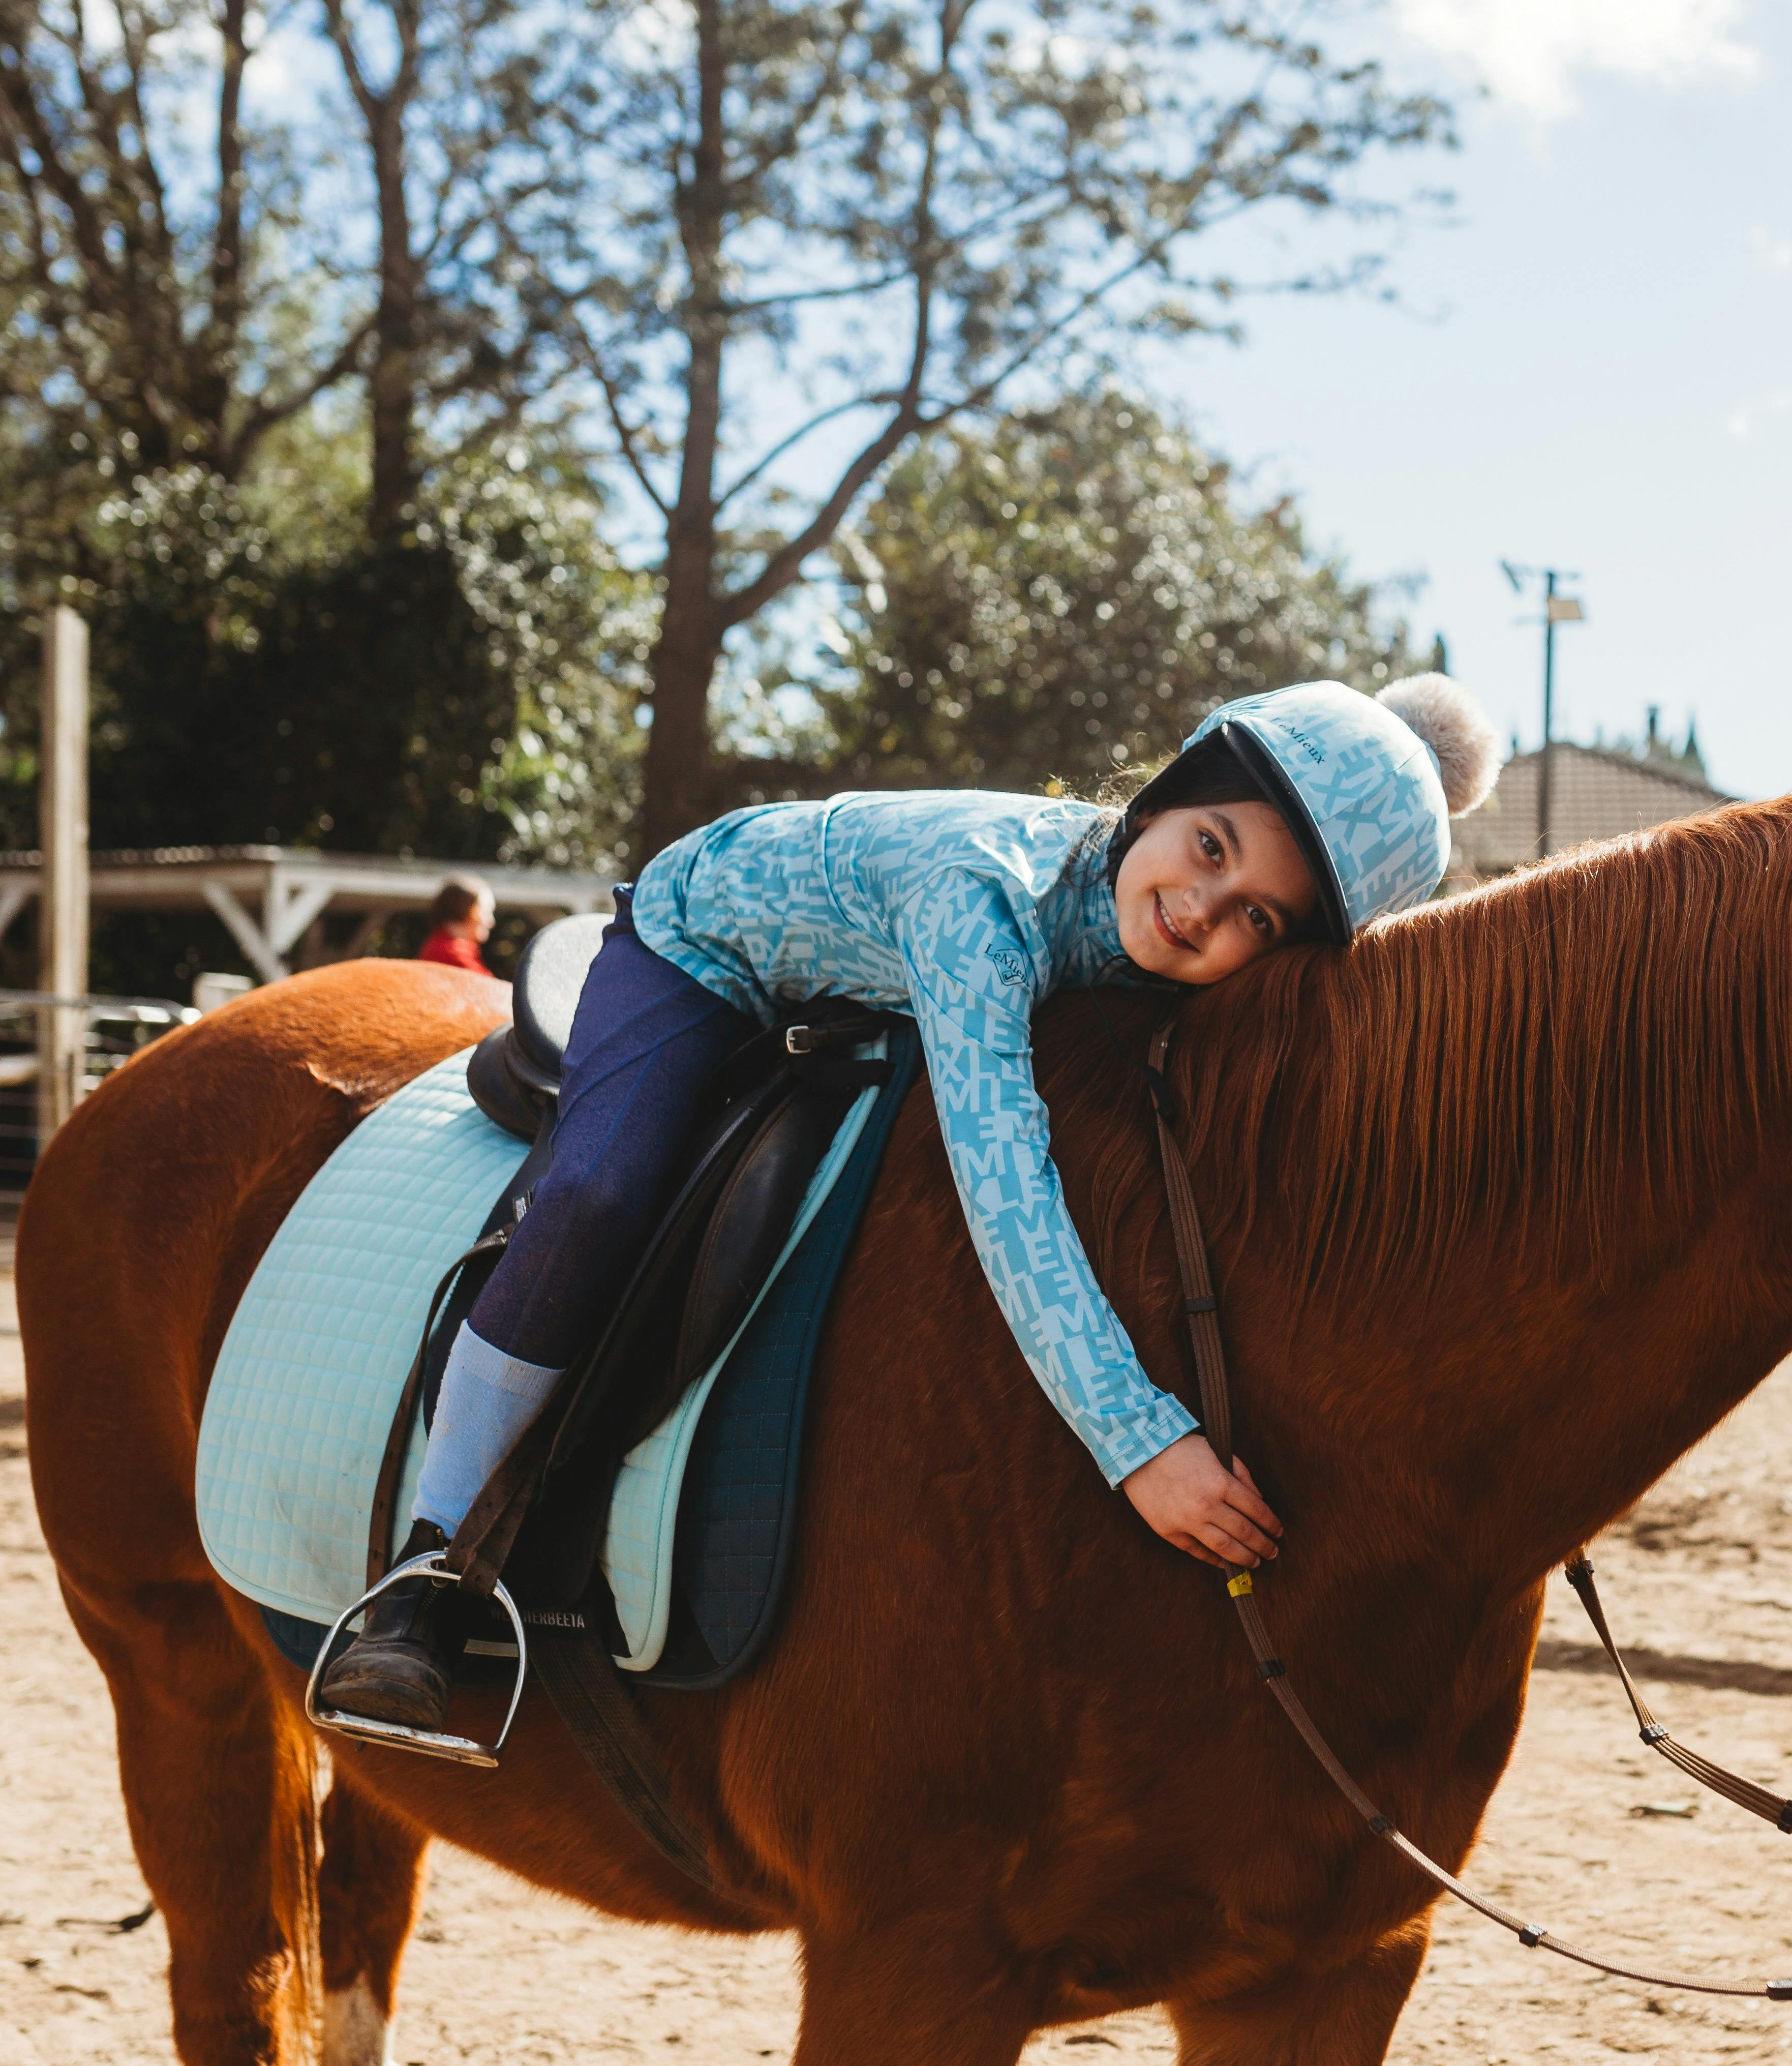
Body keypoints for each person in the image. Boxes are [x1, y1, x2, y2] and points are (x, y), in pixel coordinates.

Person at [316, 675, 1500, 1735]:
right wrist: (1142, 1443)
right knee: (598, 1189)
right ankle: (427, 1568)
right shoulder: (979, 903)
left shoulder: (1149, 923)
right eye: (1210, 846)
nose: (1205, 907)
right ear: (1166, 796)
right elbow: (1007, 1185)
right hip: (704, 947)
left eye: (1258, 917)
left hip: (858, 972)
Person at [416, 877, 497, 974]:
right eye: (487, 912)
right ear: (469, 911)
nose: (492, 922)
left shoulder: (438, 946)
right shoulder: (453, 954)